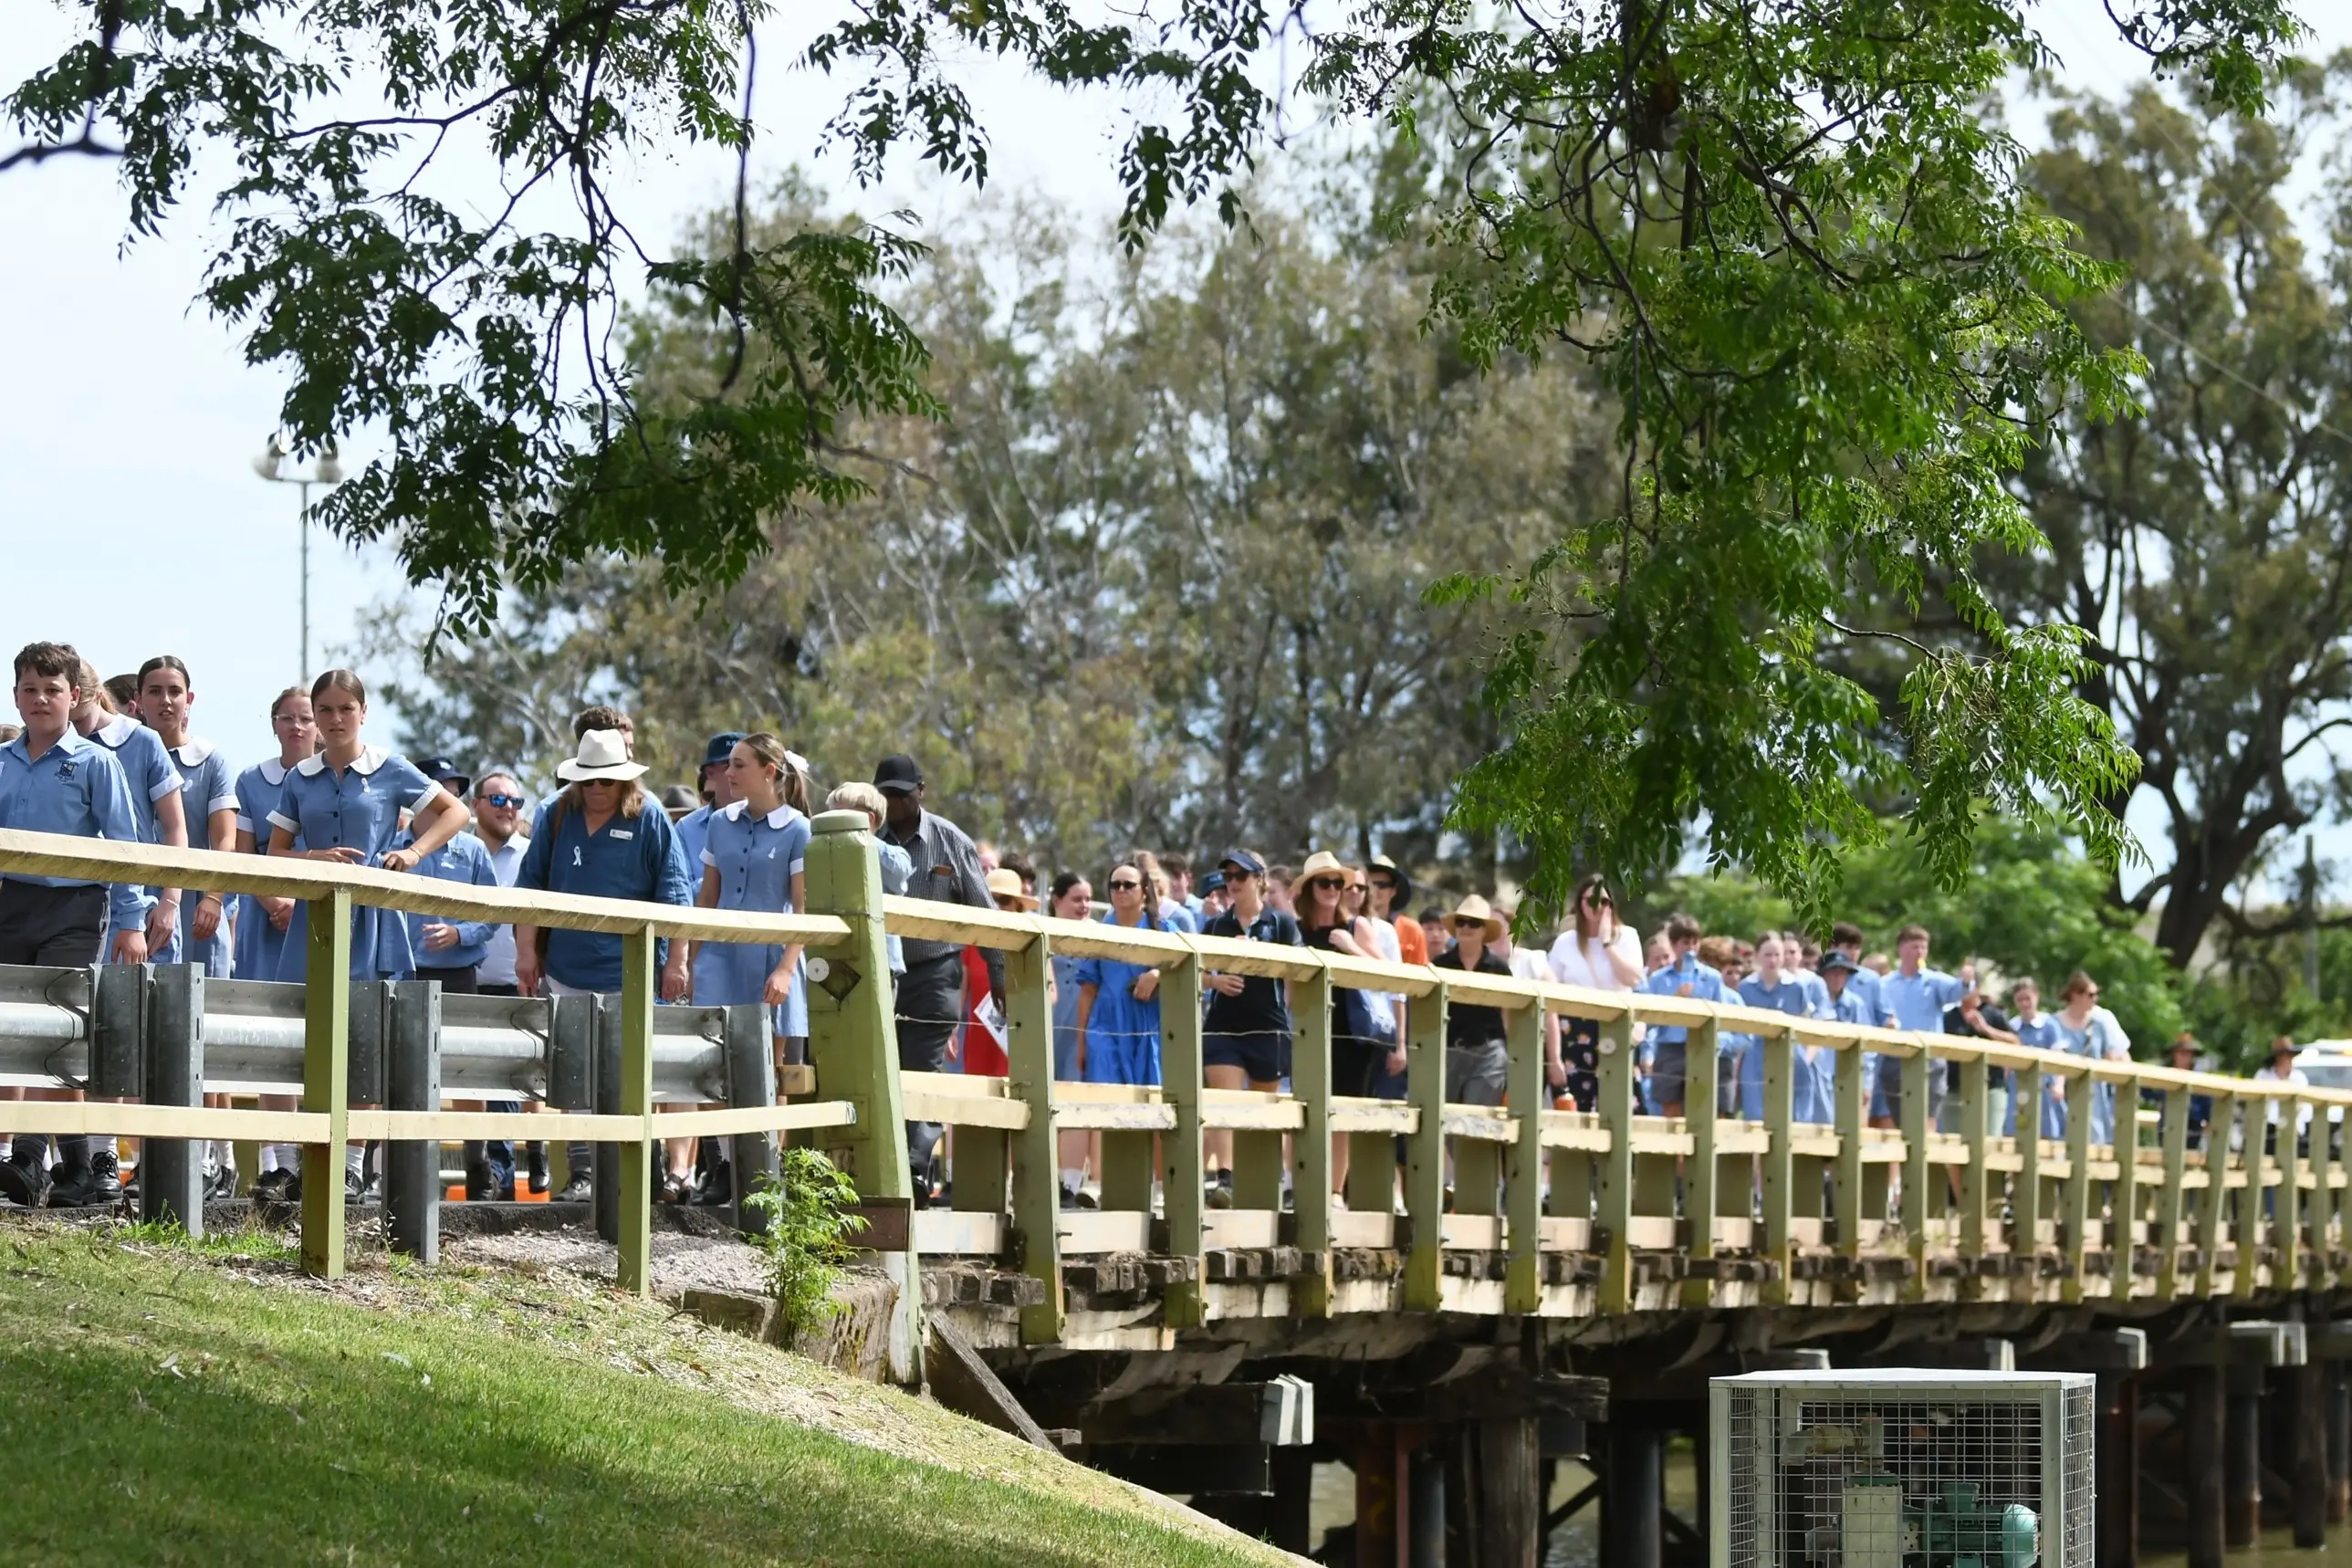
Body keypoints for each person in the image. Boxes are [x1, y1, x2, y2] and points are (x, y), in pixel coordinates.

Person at [267, 670, 471, 1198]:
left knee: (364, 1044)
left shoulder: (391, 769)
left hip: (374, 921)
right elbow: (274, 853)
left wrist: (413, 851)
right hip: (314, 922)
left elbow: (456, 812)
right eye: (325, 710)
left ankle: (353, 1166)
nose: (335, 720)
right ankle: (294, 1163)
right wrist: (316, 857)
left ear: (362, 712)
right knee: (305, 1041)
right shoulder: (299, 778)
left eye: (345, 709)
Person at [0, 643, 154, 1208]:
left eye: (52, 690)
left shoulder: (94, 762)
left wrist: (132, 921)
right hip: (11, 905)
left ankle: (28, 1155)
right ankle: (77, 1168)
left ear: (75, 697)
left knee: (53, 1026)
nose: (40, 700)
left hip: (73, 910)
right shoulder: (3, 762)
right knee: (12, 1027)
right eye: (29, 690)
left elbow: (123, 845)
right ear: (16, 695)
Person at [514, 727, 695, 1197]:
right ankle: (583, 1171)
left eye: (607, 780)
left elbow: (676, 893)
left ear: (624, 781)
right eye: (589, 780)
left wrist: (678, 960)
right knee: (574, 1070)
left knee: (633, 1072)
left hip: (631, 973)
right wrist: (525, 951)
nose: (597, 789)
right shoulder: (555, 814)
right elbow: (530, 886)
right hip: (567, 968)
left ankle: (643, 1168)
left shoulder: (651, 816)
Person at [687, 733, 812, 1205]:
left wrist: (785, 968)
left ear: (769, 771)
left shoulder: (799, 829)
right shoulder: (720, 823)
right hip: (719, 956)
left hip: (772, 957)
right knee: (711, 1065)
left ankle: (764, 1174)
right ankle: (722, 1167)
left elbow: (803, 908)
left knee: (770, 1071)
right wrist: (690, 956)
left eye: (739, 765)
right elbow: (707, 895)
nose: (728, 773)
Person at [872, 754, 999, 1199]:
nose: (894, 804)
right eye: (886, 794)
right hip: (879, 974)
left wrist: (998, 971)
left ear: (920, 792)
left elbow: (985, 912)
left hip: (935, 972)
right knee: (880, 1068)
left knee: (922, 1069)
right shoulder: (865, 838)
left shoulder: (950, 842)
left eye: (901, 795)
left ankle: (915, 1165)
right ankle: (884, 1166)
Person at [235, 685, 320, 1202]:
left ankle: (329, 1161)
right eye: (287, 718)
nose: (297, 727)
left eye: (305, 717)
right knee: (273, 1045)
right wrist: (275, 904)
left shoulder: (332, 781)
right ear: (273, 724)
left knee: (318, 1040)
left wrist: (303, 904)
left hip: (320, 921)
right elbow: (247, 855)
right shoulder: (252, 781)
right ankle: (282, 1163)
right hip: (267, 925)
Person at [1200, 850, 1305, 1206]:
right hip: (1223, 1026)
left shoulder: (1280, 924)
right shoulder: (1215, 926)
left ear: (1259, 879)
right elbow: (1192, 971)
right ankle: (1225, 1179)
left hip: (1268, 1027)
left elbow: (1299, 971)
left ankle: (1260, 1182)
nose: (1232, 883)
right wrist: (1216, 982)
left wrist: (1261, 962)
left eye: (1240, 876)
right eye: (1228, 876)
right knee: (1224, 1099)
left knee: (1263, 1107)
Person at [74, 658, 186, 969]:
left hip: (142, 901)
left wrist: (170, 901)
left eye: (80, 720)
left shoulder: (143, 741)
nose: (75, 729)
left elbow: (175, 828)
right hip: (79, 903)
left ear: (95, 697)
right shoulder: (59, 742)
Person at [468, 769, 545, 1199]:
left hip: (519, 984)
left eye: (515, 801)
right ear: (476, 805)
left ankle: (503, 1176)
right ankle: (486, 1173)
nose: (509, 809)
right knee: (473, 1083)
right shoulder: (459, 850)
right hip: (470, 982)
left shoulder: (532, 856)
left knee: (510, 1084)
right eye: (498, 800)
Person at [136, 656, 237, 978]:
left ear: (188, 699)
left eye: (174, 691)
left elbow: (224, 839)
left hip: (196, 906)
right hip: (135, 897)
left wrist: (213, 896)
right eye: (154, 691)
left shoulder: (210, 762)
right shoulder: (123, 756)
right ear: (138, 700)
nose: (165, 701)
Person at [1548, 873, 1643, 1113]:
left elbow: (1632, 978)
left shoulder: (1627, 935)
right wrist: (1554, 1054)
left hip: (1617, 1026)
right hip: (1574, 1031)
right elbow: (1551, 995)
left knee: (1622, 1105)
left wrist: (1607, 943)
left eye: (1603, 901)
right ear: (1580, 903)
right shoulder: (1565, 942)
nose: (1597, 907)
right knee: (1577, 1107)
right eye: (1590, 900)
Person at [1073, 862, 1173, 1089]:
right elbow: (1088, 991)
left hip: (1149, 1025)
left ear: (1144, 890)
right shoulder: (1098, 933)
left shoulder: (1162, 929)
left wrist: (1157, 975)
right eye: (1115, 885)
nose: (1121, 890)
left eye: (1129, 885)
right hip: (1104, 1025)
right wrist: (1081, 1045)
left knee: (1151, 1107)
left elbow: (1191, 966)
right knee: (1104, 1101)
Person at [1874, 925, 1969, 1131]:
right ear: (1901, 949)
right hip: (1895, 1056)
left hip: (1930, 1059)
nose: (1920, 952)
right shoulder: (1885, 983)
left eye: (1924, 947)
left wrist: (1967, 980)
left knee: (1928, 1115)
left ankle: (1924, 1159)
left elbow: (1957, 991)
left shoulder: (1933, 981)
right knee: (1900, 1120)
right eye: (1915, 947)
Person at [1736, 933, 1834, 1124]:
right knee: (1756, 1117)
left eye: (1777, 955)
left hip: (1791, 1056)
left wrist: (1806, 1057)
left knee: (1794, 1115)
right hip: (1755, 1057)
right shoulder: (1746, 987)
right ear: (1757, 956)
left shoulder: (1796, 986)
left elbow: (1807, 1024)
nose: (1773, 960)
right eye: (1767, 955)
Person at [1637, 913, 1727, 1119]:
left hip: (1701, 1046)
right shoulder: (1659, 979)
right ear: (1674, 944)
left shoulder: (1711, 977)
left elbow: (1720, 1013)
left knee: (1701, 1107)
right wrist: (1675, 999)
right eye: (1685, 942)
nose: (1691, 948)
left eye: (1695, 943)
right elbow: (1650, 1019)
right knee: (1671, 1109)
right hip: (1670, 1048)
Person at [1431, 894, 1516, 1106]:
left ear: (1485, 931)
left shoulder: (1500, 968)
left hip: (1489, 1054)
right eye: (1461, 922)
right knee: (1445, 1124)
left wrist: (1512, 1055)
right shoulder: (1438, 965)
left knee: (1476, 1124)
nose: (1466, 927)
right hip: (1448, 1051)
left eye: (1474, 923)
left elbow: (1509, 1014)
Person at [825, 781, 912, 977]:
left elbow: (900, 872)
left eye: (841, 818)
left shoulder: (891, 855)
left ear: (870, 819)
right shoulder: (826, 853)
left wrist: (860, 836)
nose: (833, 826)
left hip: (879, 962)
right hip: (837, 958)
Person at [1044, 870, 1094, 1205]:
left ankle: (1072, 1183)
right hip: (1047, 1027)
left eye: (1088, 899)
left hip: (1081, 1030)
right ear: (1057, 900)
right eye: (1076, 899)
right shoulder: (1043, 933)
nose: (1084, 905)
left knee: (1077, 1100)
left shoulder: (1097, 936)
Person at [2049, 971, 2132, 1147]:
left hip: (2094, 1093)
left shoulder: (2099, 1024)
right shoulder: (2054, 1023)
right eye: (2091, 994)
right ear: (2075, 995)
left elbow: (2111, 1057)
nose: (2095, 999)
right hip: (2063, 1090)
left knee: (2094, 1141)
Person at [673, 731, 747, 878]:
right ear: (710, 772)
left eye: (742, 766)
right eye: (728, 765)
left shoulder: (771, 823)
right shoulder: (686, 829)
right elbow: (681, 890)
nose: (735, 773)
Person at [2007, 977, 2065, 1141]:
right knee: (2017, 1130)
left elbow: (2060, 1057)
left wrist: (2059, 1085)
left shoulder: (2049, 1024)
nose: (2024, 1004)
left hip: (2045, 1088)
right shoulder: (2012, 1026)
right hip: (2018, 1087)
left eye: (2028, 998)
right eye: (2020, 1000)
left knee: (2047, 1132)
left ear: (2036, 997)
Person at [2252, 1034, 2313, 1149]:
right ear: (2277, 1057)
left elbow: (2303, 1105)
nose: (2288, 1058)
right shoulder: (2263, 1076)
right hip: (2267, 1130)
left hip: (2293, 1131)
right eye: (2284, 1055)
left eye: (2290, 1055)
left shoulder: (2299, 1078)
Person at [1369, 855, 1426, 966]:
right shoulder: (1352, 924)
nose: (1375, 889)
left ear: (1394, 890)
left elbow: (1422, 974)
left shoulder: (1412, 930)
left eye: (1382, 885)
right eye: (1371, 884)